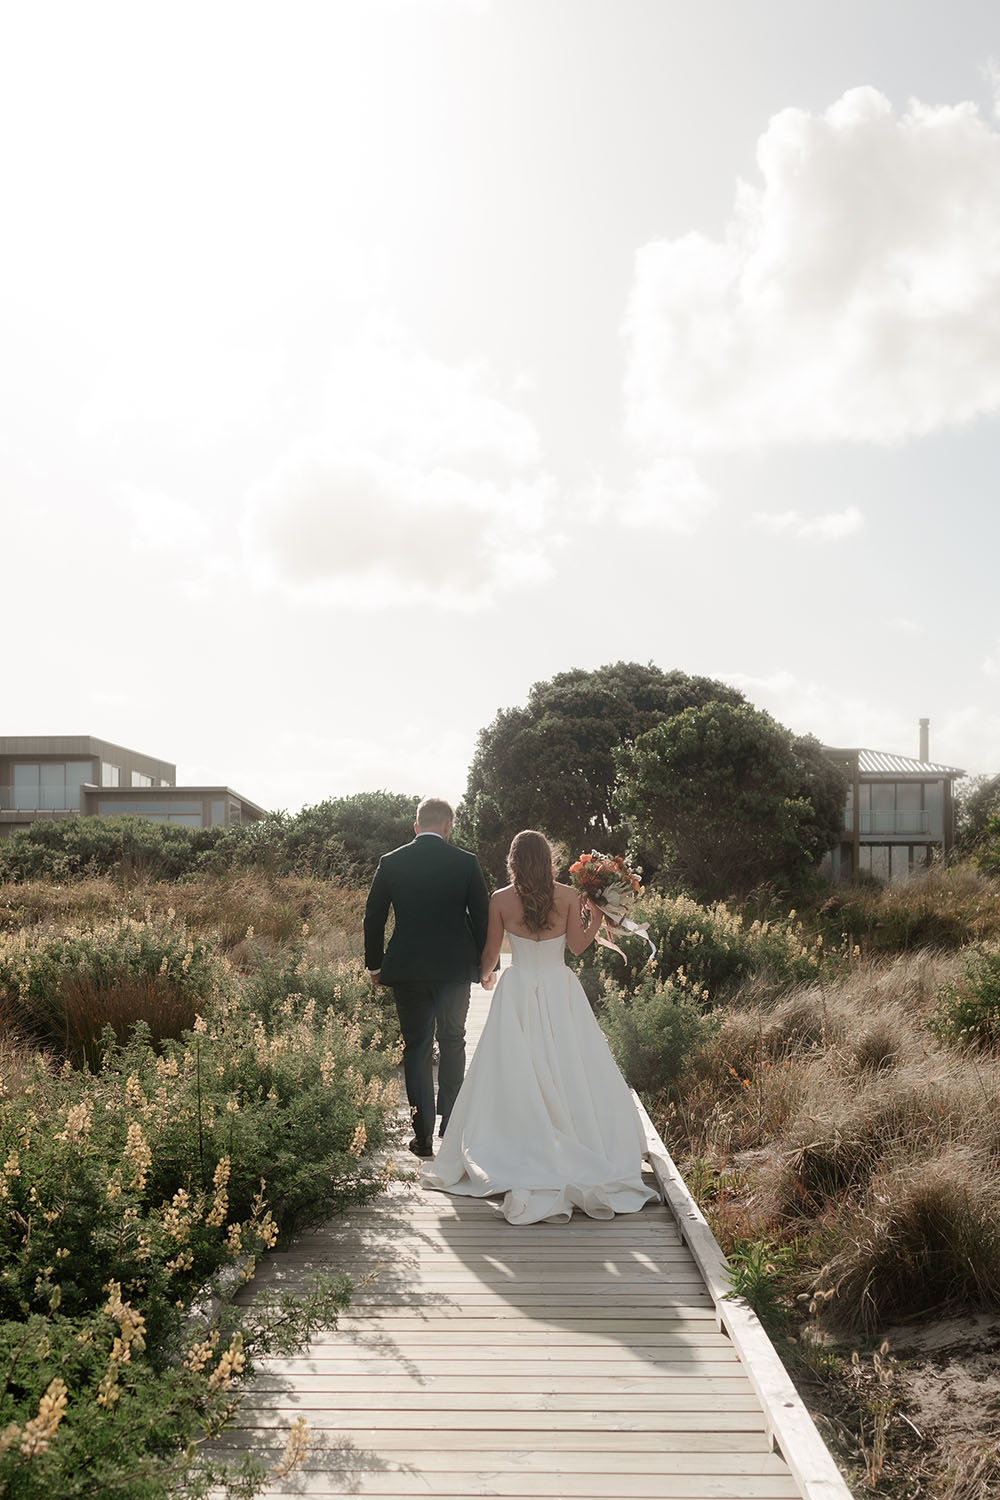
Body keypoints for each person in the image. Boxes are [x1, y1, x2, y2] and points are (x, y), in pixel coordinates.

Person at [422, 829, 660, 1224]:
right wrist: (598, 913)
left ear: (513, 860)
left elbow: (490, 952)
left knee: (515, 1067)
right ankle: (576, 1137)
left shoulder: (500, 899)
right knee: (570, 1063)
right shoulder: (570, 896)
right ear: (548, 858)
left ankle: (520, 1140)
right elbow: (580, 947)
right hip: (558, 986)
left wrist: (485, 977)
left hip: (517, 989)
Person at [364, 797, 490, 1158]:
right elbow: (482, 917)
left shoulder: (391, 862)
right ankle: (450, 1128)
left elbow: (373, 917)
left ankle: (422, 1139)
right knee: (453, 1042)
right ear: (448, 828)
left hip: (408, 971)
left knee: (417, 1049)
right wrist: (487, 968)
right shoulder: (466, 862)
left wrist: (376, 965)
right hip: (454, 971)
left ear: (416, 826)